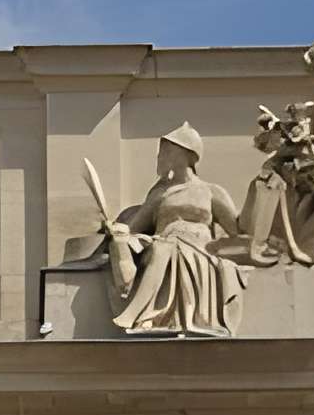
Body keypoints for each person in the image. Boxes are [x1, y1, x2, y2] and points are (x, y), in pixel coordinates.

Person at [102, 123, 243, 336]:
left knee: (166, 251)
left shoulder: (210, 191)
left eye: (168, 150)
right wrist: (118, 230)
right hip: (164, 244)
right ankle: (150, 315)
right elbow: (135, 226)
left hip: (200, 249)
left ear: (187, 154)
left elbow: (238, 231)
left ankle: (168, 316)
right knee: (162, 249)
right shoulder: (160, 193)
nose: (162, 155)